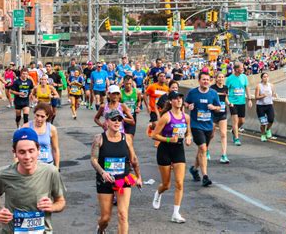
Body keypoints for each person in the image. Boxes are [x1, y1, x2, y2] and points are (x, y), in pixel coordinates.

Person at [0, 128, 66, 233]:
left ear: (38, 150)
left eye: (31, 151)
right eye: (22, 152)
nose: (27, 157)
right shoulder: (4, 174)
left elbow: (61, 202)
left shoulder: (51, 172)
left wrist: (52, 206)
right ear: (14, 152)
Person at [90, 110, 142, 234]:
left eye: (120, 119)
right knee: (105, 218)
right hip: (105, 180)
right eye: (114, 119)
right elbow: (93, 159)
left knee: (123, 215)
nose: (117, 122)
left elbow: (133, 159)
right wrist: (103, 172)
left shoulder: (127, 138)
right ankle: (101, 229)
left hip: (123, 179)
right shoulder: (99, 138)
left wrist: (138, 177)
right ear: (107, 121)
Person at [151, 91, 192, 223]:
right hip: (165, 150)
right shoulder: (166, 117)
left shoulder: (186, 117)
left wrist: (188, 138)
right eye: (176, 98)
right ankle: (158, 193)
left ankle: (175, 213)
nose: (179, 100)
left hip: (178, 150)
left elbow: (188, 132)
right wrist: (169, 140)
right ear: (171, 101)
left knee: (179, 183)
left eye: (181, 98)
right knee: (166, 185)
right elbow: (154, 135)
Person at [185, 72, 221, 187]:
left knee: (202, 150)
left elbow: (219, 107)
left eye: (207, 79)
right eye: (203, 79)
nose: (206, 81)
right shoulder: (193, 92)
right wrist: (188, 106)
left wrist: (214, 107)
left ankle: (194, 169)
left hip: (208, 126)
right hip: (196, 125)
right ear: (199, 81)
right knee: (202, 148)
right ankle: (205, 176)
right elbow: (186, 102)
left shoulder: (213, 93)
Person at [22, 103, 60, 169]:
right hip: (31, 164)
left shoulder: (52, 129)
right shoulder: (26, 127)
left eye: (42, 116)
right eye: (37, 115)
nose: (39, 119)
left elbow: (55, 149)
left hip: (47, 164)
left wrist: (57, 167)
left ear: (47, 116)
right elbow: (19, 149)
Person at [226, 62, 252, 146]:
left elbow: (247, 88)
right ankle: (236, 138)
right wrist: (228, 102)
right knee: (235, 120)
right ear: (237, 69)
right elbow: (225, 91)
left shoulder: (244, 77)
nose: (243, 69)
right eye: (242, 68)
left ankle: (234, 130)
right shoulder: (229, 79)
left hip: (242, 102)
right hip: (233, 102)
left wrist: (249, 99)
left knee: (242, 121)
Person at [210, 72, 230, 164]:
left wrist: (229, 103)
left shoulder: (226, 88)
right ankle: (206, 150)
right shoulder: (212, 88)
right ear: (216, 78)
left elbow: (225, 98)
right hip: (213, 113)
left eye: (222, 77)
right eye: (219, 77)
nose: (221, 78)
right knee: (211, 135)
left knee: (223, 134)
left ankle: (224, 155)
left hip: (222, 113)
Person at [255, 72, 277, 142]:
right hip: (260, 106)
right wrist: (262, 96)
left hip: (269, 105)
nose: (266, 78)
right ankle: (263, 135)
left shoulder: (271, 85)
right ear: (261, 78)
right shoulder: (258, 86)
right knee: (263, 122)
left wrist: (275, 95)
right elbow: (256, 97)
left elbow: (273, 94)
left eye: (267, 76)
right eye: (264, 77)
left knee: (271, 119)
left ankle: (268, 130)